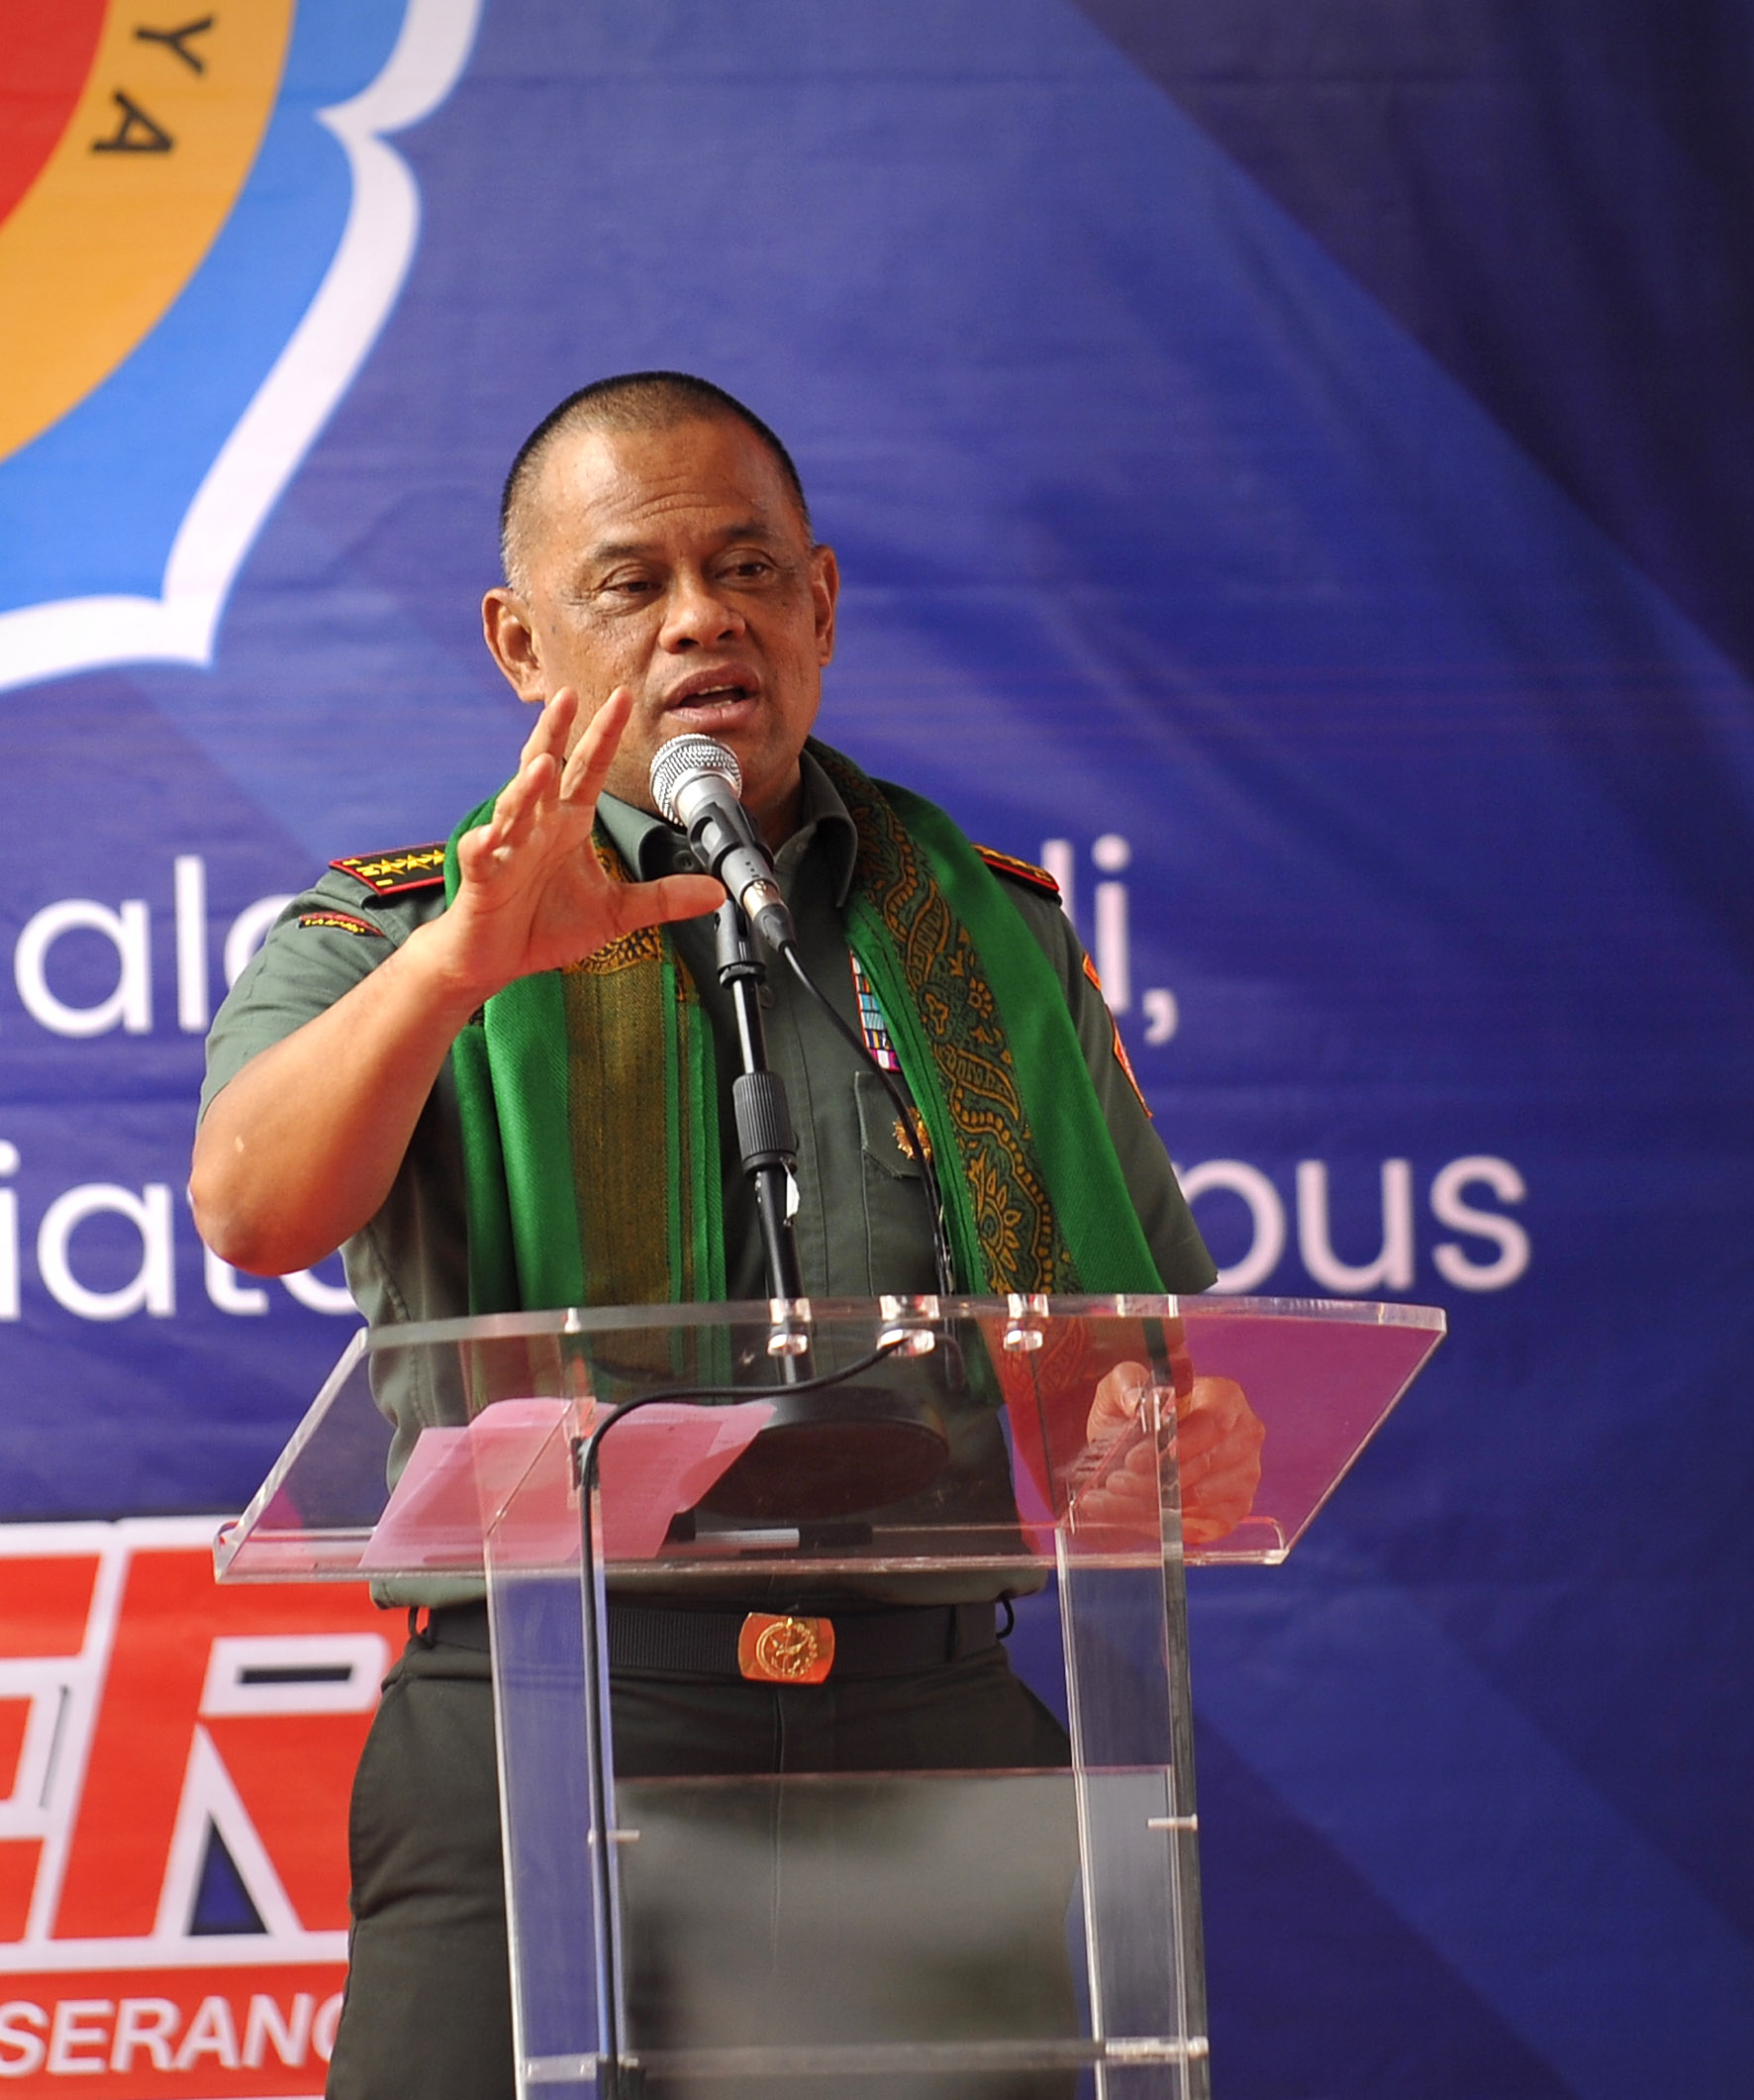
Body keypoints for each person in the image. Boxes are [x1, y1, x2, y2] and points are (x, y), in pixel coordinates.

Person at [190, 371, 1252, 2100]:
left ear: (819, 603)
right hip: (553, 1723)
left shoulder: (988, 932)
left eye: (748, 569)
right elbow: (252, 1205)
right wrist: (458, 968)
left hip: (925, 1733)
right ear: (520, 643)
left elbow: (1150, 1366)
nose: (703, 619)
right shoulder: (398, 930)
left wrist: (1169, 1431)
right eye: (633, 582)